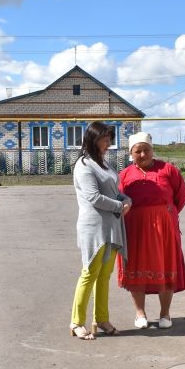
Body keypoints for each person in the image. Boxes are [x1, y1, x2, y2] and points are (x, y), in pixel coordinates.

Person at [117, 131, 185, 329]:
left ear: (152, 150)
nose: (142, 155)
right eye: (137, 151)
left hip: (164, 228)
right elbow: (120, 199)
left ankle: (165, 314)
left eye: (146, 150)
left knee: (165, 267)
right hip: (135, 229)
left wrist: (165, 214)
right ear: (131, 154)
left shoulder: (168, 170)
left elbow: (181, 196)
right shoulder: (124, 175)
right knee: (137, 268)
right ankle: (140, 313)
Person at [70, 122, 132, 339]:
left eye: (109, 139)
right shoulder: (84, 165)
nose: (109, 143)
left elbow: (114, 190)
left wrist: (126, 199)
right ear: (93, 139)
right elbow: (93, 197)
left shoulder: (104, 163)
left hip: (112, 227)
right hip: (94, 228)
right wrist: (119, 206)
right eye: (105, 139)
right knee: (89, 273)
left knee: (104, 276)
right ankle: (77, 322)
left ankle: (101, 319)